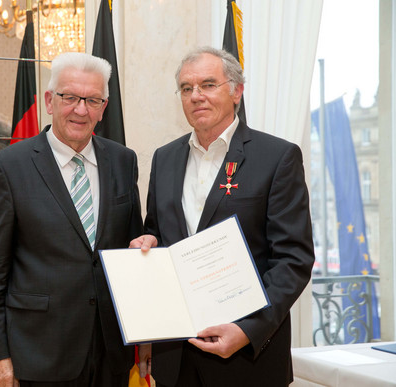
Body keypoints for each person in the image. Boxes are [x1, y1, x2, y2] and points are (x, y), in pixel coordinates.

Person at [131, 47, 315, 387]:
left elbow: (293, 259)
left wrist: (247, 330)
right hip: (176, 358)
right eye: (186, 88)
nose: (196, 96)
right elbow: (157, 230)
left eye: (208, 84)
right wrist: (149, 242)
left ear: (237, 91)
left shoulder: (277, 157)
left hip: (248, 361)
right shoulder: (165, 159)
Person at [0, 52, 144, 387]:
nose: (81, 109)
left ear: (104, 107)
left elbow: (132, 247)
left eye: (93, 100)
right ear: (50, 101)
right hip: (39, 354)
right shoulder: (10, 167)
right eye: (70, 97)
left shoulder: (123, 161)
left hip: (111, 352)